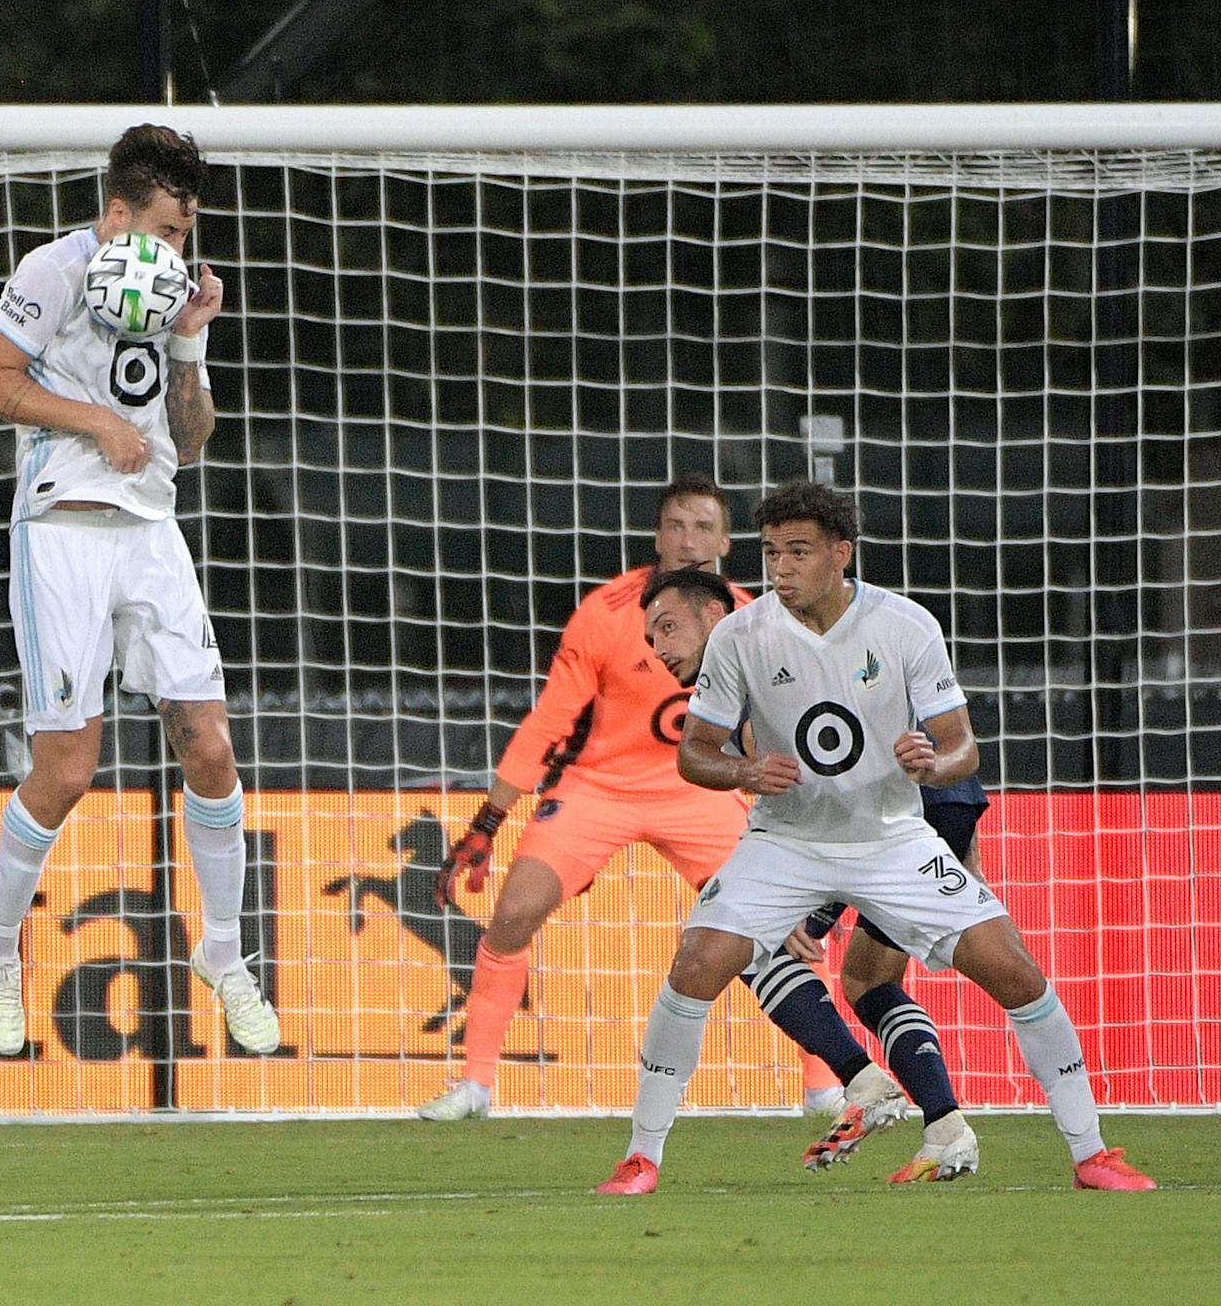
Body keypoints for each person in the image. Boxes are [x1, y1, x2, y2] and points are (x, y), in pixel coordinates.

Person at [597, 481, 1155, 1194]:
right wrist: (742, 767)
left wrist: (934, 759)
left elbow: (962, 749)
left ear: (841, 553)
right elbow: (693, 752)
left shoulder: (906, 626)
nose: (782, 568)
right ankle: (641, 1157)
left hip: (892, 837)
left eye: (798, 551)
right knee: (699, 961)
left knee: (1016, 971)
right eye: (772, 552)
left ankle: (1091, 1153)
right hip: (786, 841)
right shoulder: (742, 634)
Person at [0, 124, 279, 1056]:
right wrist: (94, 420)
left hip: (149, 525)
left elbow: (195, 434)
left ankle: (223, 954)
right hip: (61, 524)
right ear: (117, 215)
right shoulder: (56, 270)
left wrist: (188, 345)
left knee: (212, 746)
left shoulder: (171, 289)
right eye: (168, 230)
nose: (178, 250)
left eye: (187, 233)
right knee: (67, 769)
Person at [421, 479, 860, 1122]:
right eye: (677, 526)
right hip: (602, 785)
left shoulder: (755, 620)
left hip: (704, 790)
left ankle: (825, 1085)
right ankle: (477, 1084)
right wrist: (490, 819)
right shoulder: (606, 611)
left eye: (703, 528)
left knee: (781, 929)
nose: (688, 540)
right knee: (513, 913)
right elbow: (550, 720)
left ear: (725, 543)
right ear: (657, 537)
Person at [642, 568, 974, 1178]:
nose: (660, 651)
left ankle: (865, 1084)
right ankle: (946, 1125)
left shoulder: (754, 655)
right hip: (939, 806)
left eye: (668, 630)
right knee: (870, 983)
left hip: (887, 821)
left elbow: (815, 778)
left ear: (714, 618)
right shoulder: (763, 649)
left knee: (756, 949)